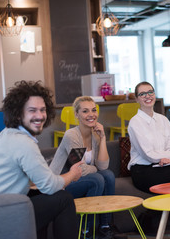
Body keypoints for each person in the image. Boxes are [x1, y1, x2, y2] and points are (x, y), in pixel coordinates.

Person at [0, 80, 82, 239]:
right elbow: (49, 185)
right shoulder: (23, 142)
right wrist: (72, 174)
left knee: (42, 197)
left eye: (43, 110)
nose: (39, 116)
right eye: (32, 110)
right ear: (18, 113)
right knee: (63, 199)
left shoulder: (8, 133)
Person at [50, 96, 116, 239]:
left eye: (93, 110)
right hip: (62, 183)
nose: (91, 114)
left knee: (108, 175)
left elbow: (103, 166)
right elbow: (79, 169)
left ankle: (105, 227)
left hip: (79, 180)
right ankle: (85, 230)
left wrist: (103, 138)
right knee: (97, 179)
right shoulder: (71, 135)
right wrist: (95, 168)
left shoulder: (95, 136)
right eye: (85, 111)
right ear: (77, 115)